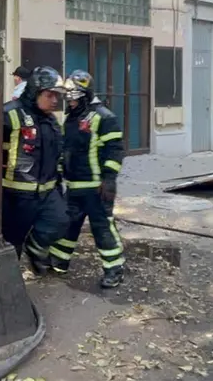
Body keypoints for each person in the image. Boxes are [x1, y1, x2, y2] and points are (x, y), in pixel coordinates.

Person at [0, 66, 69, 274]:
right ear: (35, 91)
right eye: (50, 95)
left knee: (61, 221)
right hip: (16, 196)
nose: (55, 101)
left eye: (57, 96)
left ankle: (35, 248)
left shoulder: (51, 120)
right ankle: (7, 282)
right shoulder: (8, 113)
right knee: (13, 243)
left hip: (48, 193)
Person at [50, 70, 126, 288]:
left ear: (85, 95)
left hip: (97, 188)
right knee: (67, 224)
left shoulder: (104, 117)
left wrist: (109, 178)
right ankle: (58, 262)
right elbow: (65, 150)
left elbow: (115, 150)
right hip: (74, 186)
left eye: (74, 98)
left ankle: (114, 269)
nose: (70, 102)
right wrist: (59, 174)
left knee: (102, 228)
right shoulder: (72, 119)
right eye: (68, 98)